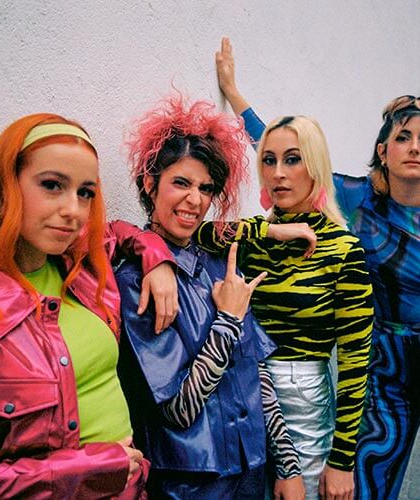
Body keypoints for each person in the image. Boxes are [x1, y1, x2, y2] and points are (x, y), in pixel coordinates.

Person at [215, 37, 420, 499]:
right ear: (383, 150)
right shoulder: (357, 200)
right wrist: (234, 93)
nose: (414, 148)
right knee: (364, 486)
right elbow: (285, 153)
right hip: (386, 366)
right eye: (402, 137)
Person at [0, 113, 179, 498]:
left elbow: (117, 232)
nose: (73, 210)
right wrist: (87, 469)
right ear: (6, 187)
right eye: (52, 185)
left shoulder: (82, 268)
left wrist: (157, 258)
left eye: (85, 192)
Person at [116, 96, 309, 499]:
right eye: (181, 183)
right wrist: (228, 321)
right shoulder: (136, 281)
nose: (195, 200)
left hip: (253, 471)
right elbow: (178, 410)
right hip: (189, 484)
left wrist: (288, 467)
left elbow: (258, 375)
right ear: (150, 184)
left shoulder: (221, 263)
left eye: (205, 188)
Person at [193, 109, 375, 500]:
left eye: (292, 159)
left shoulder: (343, 250)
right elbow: (196, 232)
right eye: (269, 160)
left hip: (301, 401)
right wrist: (271, 229)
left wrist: (343, 460)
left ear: (316, 166)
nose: (278, 173)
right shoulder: (255, 239)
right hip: (243, 393)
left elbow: (356, 362)